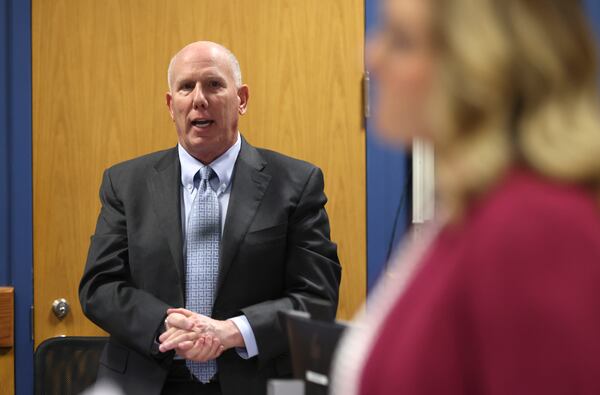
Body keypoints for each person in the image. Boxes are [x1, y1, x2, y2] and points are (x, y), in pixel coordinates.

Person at [331, 0, 600, 394]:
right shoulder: (465, 209)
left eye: (402, 41)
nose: (373, 54)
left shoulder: (536, 227)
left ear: (479, 69)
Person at [79, 41, 341, 395]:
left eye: (214, 84)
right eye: (186, 87)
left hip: (255, 380)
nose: (199, 99)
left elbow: (317, 297)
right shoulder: (126, 183)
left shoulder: (296, 183)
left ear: (242, 99)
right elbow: (100, 286)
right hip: (147, 378)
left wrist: (232, 331)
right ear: (172, 106)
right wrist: (164, 323)